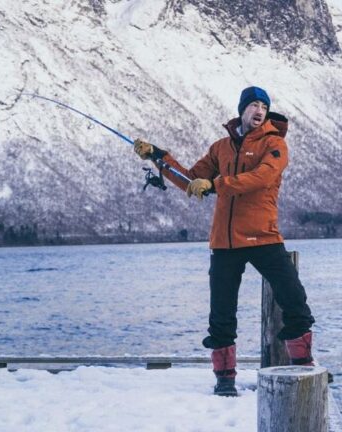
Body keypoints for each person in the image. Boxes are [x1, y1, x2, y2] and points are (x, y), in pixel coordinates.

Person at [133, 86, 316, 397]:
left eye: (264, 106)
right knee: (221, 314)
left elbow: (262, 178)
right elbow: (191, 181)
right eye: (254, 105)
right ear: (242, 110)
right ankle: (225, 379)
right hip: (225, 242)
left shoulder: (275, 144)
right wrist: (158, 157)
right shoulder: (220, 148)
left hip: (263, 236)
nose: (259, 110)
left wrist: (215, 185)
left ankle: (304, 368)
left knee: (294, 300)